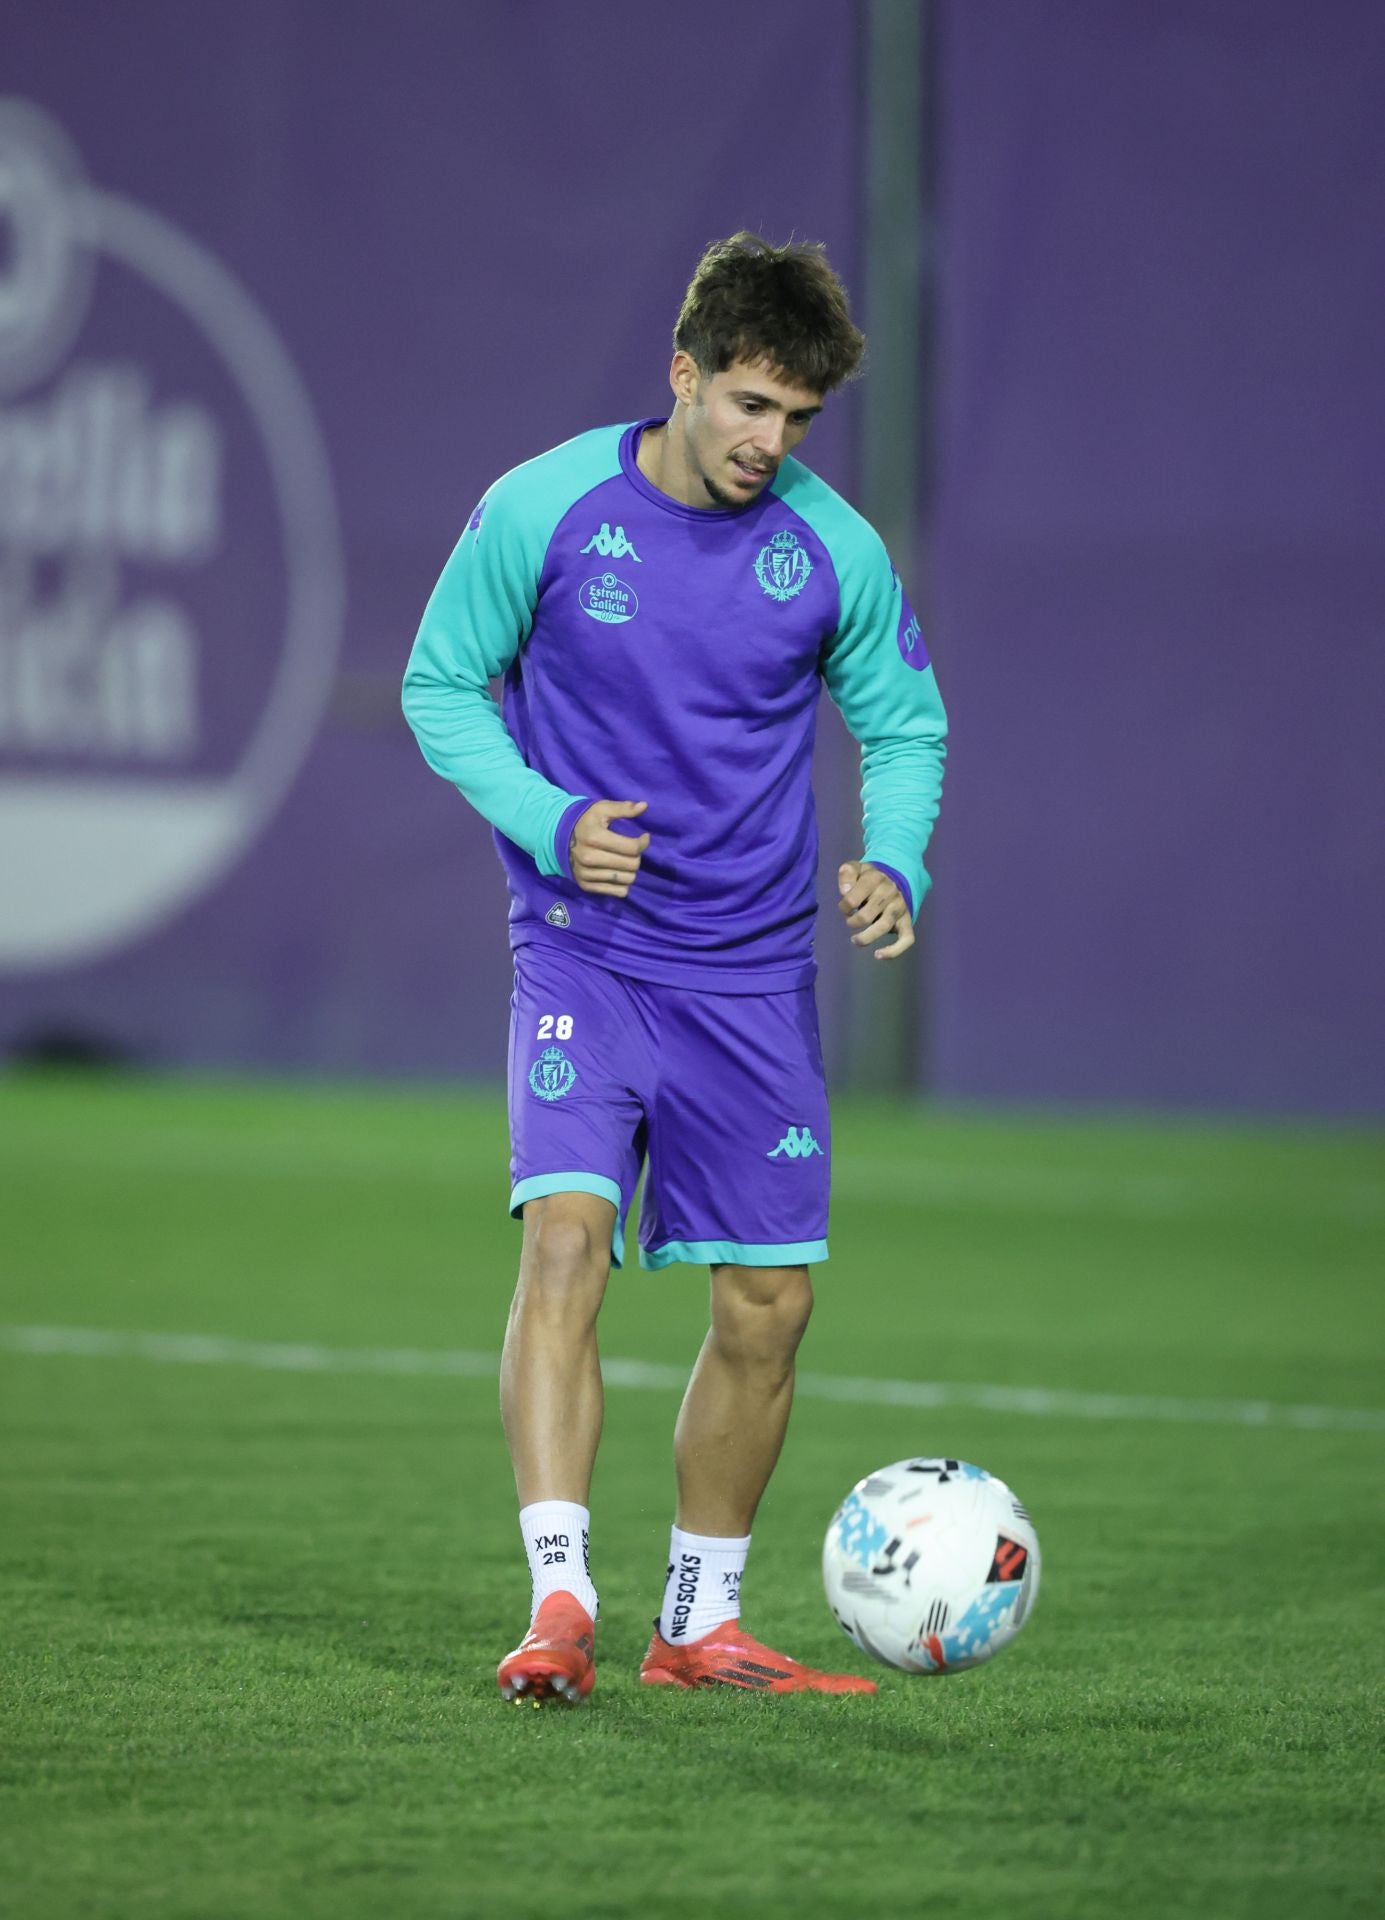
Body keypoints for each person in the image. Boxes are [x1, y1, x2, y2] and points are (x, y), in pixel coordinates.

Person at [402, 232, 947, 1702]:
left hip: (753, 976)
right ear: (682, 376)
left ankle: (696, 1623)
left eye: (797, 419)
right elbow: (439, 682)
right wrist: (546, 818)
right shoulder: (542, 508)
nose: (769, 442)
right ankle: (558, 1604)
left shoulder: (829, 549)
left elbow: (902, 723)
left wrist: (892, 862)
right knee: (565, 1238)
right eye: (749, 406)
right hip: (585, 954)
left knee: (766, 1305)